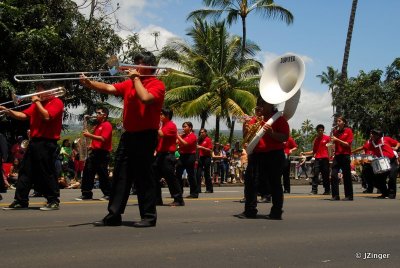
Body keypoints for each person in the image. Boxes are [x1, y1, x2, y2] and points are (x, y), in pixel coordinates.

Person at [80, 51, 165, 227]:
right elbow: (110, 88)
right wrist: (90, 84)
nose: (134, 66)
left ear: (149, 67)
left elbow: (146, 98)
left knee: (144, 176)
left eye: (138, 63)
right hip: (129, 135)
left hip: (146, 135)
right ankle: (114, 215)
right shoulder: (130, 83)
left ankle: (149, 216)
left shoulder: (157, 84)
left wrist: (135, 79)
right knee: (120, 174)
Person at [1, 83, 64, 210]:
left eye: (38, 90)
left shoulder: (57, 102)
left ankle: (53, 200)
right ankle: (20, 200)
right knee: (25, 171)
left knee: (47, 171)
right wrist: (8, 111)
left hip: (47, 142)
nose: (36, 93)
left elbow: (46, 116)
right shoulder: (37, 104)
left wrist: (37, 102)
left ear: (49, 91)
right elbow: (24, 115)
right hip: (34, 141)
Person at [236, 98, 289, 220]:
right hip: (256, 155)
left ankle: (276, 212)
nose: (259, 106)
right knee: (250, 183)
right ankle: (249, 210)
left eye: (262, 104)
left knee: (275, 184)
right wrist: (245, 125)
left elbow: (284, 137)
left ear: (271, 105)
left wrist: (272, 133)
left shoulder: (278, 119)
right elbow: (246, 138)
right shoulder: (254, 120)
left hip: (274, 155)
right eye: (258, 104)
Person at [75, 107, 112, 201]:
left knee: (103, 174)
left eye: (99, 113)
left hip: (102, 153)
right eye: (96, 113)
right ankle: (86, 193)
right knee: (88, 172)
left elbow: (103, 139)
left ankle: (108, 194)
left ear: (104, 115)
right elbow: (97, 140)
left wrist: (89, 135)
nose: (96, 115)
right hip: (94, 153)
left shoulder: (107, 125)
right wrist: (91, 146)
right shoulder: (97, 125)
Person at [153, 107, 184, 206]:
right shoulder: (164, 125)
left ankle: (178, 199)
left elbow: (161, 134)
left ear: (167, 116)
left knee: (170, 178)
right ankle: (157, 199)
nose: (160, 116)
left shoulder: (171, 125)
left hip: (168, 155)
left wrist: (154, 125)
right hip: (161, 154)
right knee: (154, 176)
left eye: (161, 114)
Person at [362, 129, 399, 199]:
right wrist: (365, 158)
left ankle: (391, 194)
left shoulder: (386, 139)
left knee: (392, 177)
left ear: (377, 135)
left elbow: (397, 143)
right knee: (378, 179)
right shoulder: (371, 143)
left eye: (373, 134)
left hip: (392, 160)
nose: (371, 135)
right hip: (381, 162)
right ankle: (385, 193)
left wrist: (396, 147)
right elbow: (367, 151)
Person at [330, 116, 354, 201]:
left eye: (339, 121)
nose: (338, 122)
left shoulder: (348, 131)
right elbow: (334, 142)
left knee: (347, 176)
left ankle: (349, 196)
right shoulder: (335, 132)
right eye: (337, 121)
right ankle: (335, 195)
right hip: (337, 155)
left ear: (344, 122)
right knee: (333, 174)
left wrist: (337, 140)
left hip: (345, 155)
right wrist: (332, 144)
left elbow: (348, 144)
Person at [303, 124, 331, 195]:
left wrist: (330, 157)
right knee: (315, 174)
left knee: (325, 175)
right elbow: (314, 152)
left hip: (325, 159)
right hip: (317, 159)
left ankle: (327, 190)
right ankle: (314, 190)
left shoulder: (327, 138)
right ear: (317, 131)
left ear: (323, 130)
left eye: (321, 130)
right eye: (319, 130)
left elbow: (331, 148)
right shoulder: (316, 140)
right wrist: (304, 153)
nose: (320, 131)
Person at [176, 121, 198, 198]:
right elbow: (176, 142)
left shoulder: (193, 136)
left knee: (191, 175)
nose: (183, 128)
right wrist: (179, 136)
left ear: (190, 128)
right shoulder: (183, 135)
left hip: (190, 156)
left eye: (185, 126)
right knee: (178, 174)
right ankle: (179, 192)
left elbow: (185, 143)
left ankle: (194, 193)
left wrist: (177, 136)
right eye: (183, 127)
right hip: (182, 156)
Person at [196, 128, 213, 193]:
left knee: (207, 173)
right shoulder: (199, 140)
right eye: (200, 132)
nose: (201, 133)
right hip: (201, 158)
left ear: (205, 133)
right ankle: (198, 189)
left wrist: (202, 147)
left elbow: (210, 150)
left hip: (207, 157)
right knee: (198, 174)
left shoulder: (208, 139)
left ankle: (209, 188)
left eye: (203, 132)